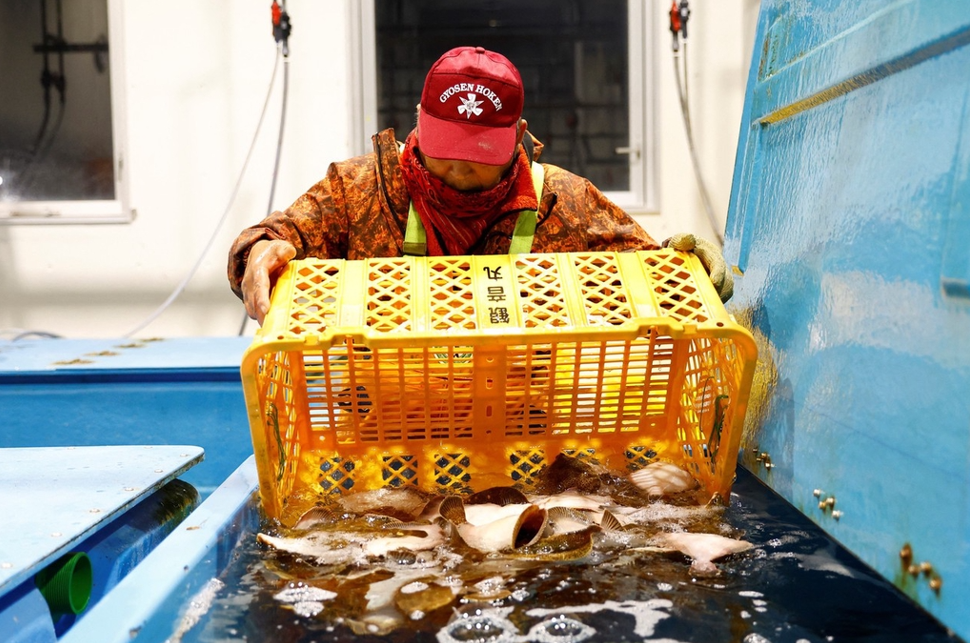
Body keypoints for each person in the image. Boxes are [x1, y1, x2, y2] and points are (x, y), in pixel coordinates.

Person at [228, 46, 731, 325]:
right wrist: (260, 252)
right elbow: (283, 234)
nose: (458, 171)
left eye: (478, 157)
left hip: (528, 428)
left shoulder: (564, 203)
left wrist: (687, 265)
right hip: (383, 423)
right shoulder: (359, 189)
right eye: (444, 149)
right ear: (418, 122)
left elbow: (645, 273)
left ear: (517, 138)